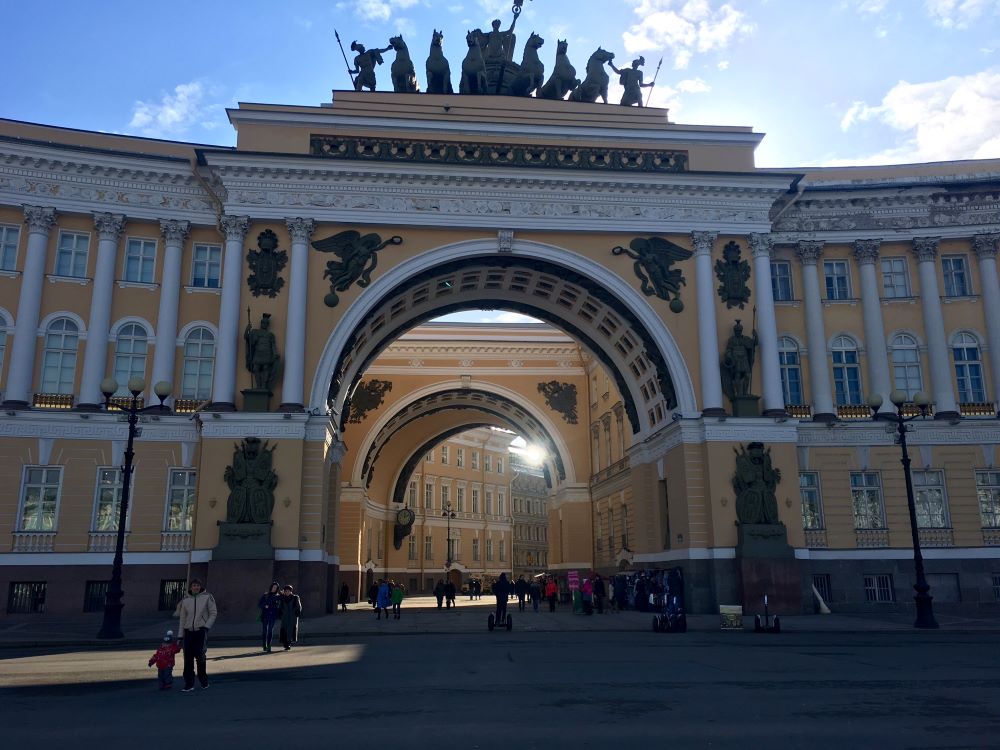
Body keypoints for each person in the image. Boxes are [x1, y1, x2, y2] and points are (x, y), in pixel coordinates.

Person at [176, 578, 217, 692]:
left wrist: (206, 627)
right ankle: (189, 684)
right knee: (187, 659)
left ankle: (204, 681)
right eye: (194, 585)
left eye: (198, 585)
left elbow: (213, 613)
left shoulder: (207, 597)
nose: (196, 587)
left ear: (200, 587)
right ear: (190, 587)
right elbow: (182, 619)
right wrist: (180, 636)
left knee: (200, 658)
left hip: (200, 631)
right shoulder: (185, 600)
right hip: (188, 632)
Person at [258, 581, 281, 652]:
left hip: (273, 615)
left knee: (270, 630)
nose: (274, 589)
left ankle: (269, 646)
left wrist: (282, 595)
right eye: (274, 587)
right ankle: (264, 645)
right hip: (265, 615)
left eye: (276, 588)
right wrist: (265, 605)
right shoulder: (266, 595)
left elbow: (282, 602)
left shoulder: (278, 596)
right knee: (265, 631)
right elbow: (259, 604)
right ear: (271, 587)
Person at [277, 584, 302, 650]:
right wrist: (279, 613)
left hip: (292, 617)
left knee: (291, 630)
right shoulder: (282, 598)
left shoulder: (295, 597)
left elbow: (299, 606)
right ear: (284, 591)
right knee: (284, 629)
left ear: (291, 591)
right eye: (286, 591)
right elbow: (279, 607)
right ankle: (285, 643)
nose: (287, 592)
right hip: (284, 617)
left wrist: (298, 612)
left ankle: (288, 644)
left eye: (288, 591)